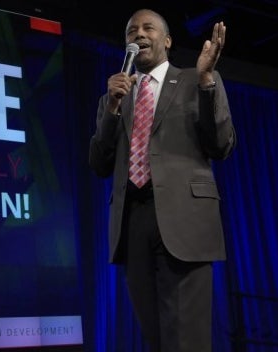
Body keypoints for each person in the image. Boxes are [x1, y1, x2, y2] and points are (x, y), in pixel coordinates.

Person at [88, 9, 236, 352]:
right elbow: (98, 163)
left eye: (148, 28)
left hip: (184, 219)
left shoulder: (194, 80)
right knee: (156, 338)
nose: (138, 34)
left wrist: (206, 81)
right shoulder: (114, 97)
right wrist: (110, 109)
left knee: (187, 342)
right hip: (133, 222)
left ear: (166, 40)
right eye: (131, 31)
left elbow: (221, 145)